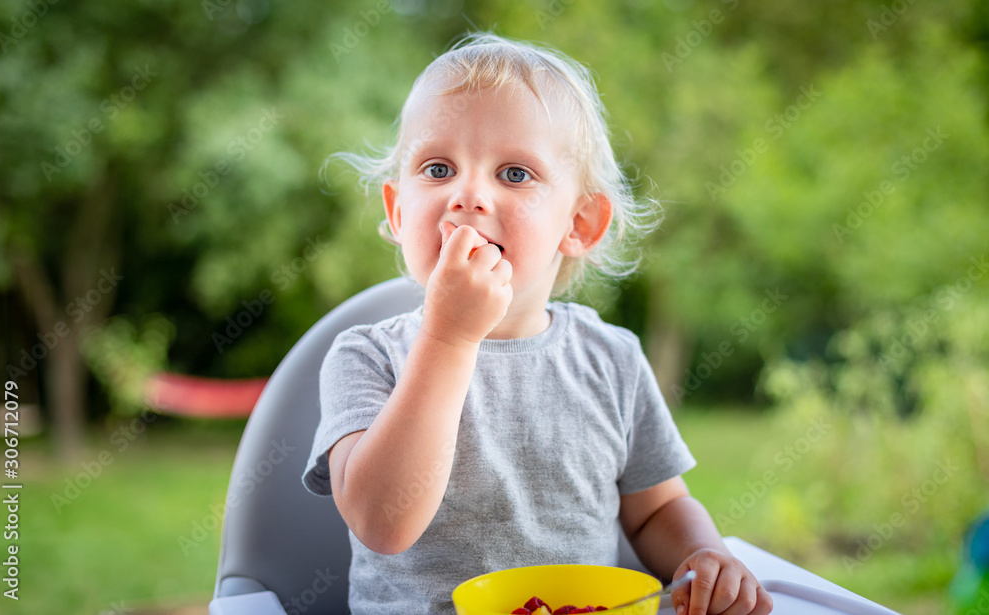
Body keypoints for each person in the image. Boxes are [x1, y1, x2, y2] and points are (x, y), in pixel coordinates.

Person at [302, 32, 772, 615]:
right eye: (439, 167)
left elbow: (655, 509)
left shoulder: (612, 359)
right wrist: (450, 337)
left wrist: (704, 554)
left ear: (580, 222)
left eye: (515, 174)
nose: (468, 195)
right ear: (398, 212)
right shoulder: (365, 357)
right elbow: (382, 522)